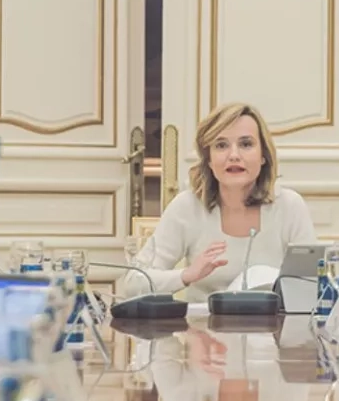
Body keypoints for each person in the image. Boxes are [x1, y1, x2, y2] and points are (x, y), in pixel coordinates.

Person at [122, 103, 317, 302]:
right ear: (208, 159)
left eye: (246, 144)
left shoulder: (289, 206)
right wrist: (186, 275)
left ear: (263, 156)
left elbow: (314, 285)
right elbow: (133, 284)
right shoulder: (187, 206)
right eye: (221, 145)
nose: (234, 155)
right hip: (202, 321)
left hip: (272, 321)